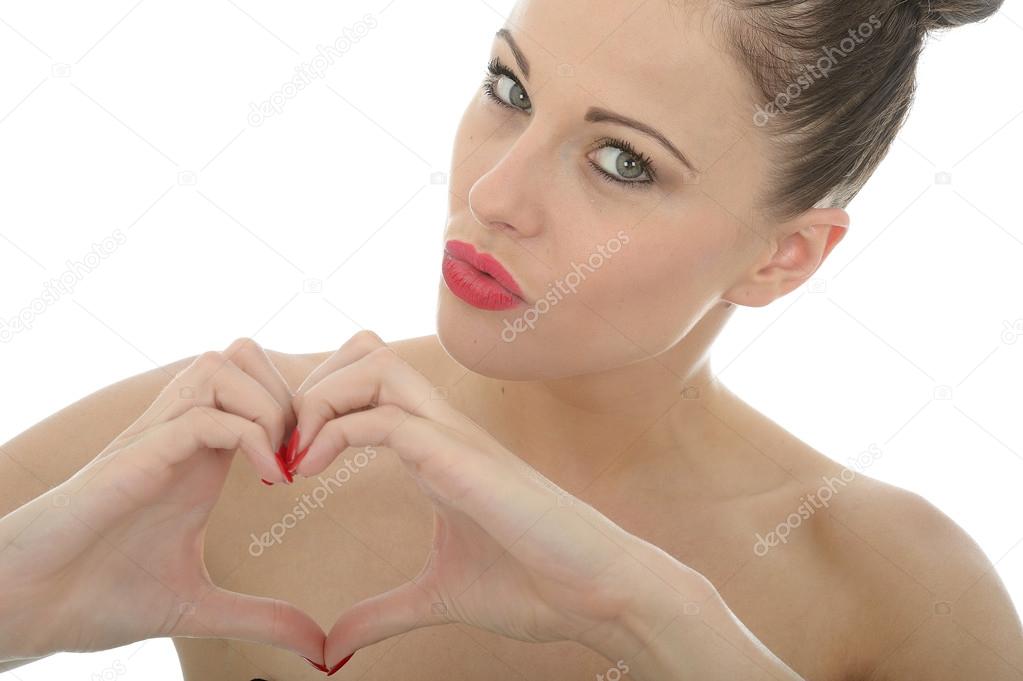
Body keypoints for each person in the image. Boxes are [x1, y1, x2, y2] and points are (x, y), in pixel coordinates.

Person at [2, 0, 1021, 678]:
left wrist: (661, 619)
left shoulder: (892, 583)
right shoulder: (221, 447)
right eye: (510, 92)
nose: (493, 196)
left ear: (783, 258)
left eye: (622, 162)